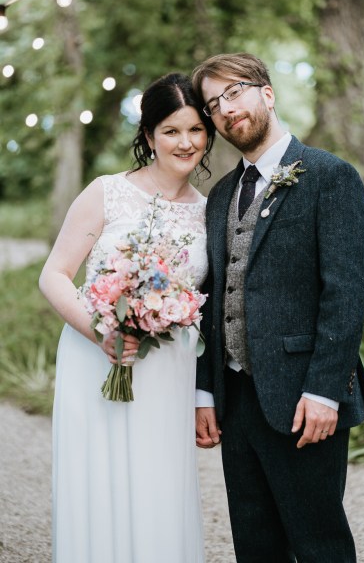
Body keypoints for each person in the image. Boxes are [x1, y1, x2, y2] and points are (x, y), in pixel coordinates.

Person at [192, 53, 364, 563]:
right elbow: (210, 298)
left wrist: (324, 391)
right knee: (255, 546)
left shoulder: (329, 176)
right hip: (236, 401)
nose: (226, 110)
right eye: (213, 104)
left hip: (303, 398)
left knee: (319, 544)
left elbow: (345, 293)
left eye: (234, 93)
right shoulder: (220, 195)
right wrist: (205, 390)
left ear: (266, 94)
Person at [39, 72, 215, 563]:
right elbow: (54, 274)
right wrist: (102, 332)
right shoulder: (106, 193)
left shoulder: (210, 211)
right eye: (171, 131)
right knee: (100, 481)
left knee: (160, 484)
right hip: (96, 355)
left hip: (169, 369)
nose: (185, 142)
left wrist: (205, 395)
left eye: (196, 130)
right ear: (148, 136)